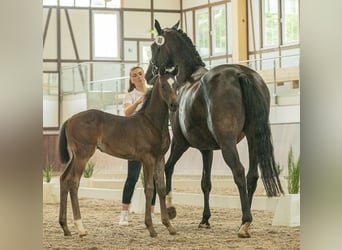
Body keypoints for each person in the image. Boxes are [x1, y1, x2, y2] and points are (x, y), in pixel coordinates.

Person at [119, 66, 158, 226]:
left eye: (140, 74)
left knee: (154, 177)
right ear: (131, 79)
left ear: (144, 75)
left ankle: (152, 212)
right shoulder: (130, 95)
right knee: (132, 177)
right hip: (135, 139)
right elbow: (127, 113)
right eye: (134, 75)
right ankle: (124, 213)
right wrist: (139, 101)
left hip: (152, 139)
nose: (138, 77)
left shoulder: (154, 92)